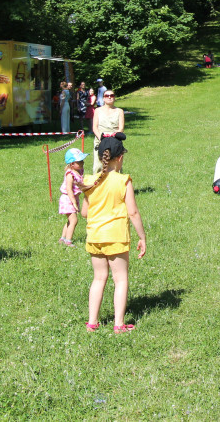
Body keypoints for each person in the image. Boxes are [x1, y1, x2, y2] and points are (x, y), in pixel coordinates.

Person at [81, 133, 146, 332]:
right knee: (120, 279)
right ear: (120, 158)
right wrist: (142, 237)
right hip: (116, 236)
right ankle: (118, 324)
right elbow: (133, 212)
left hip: (95, 237)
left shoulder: (90, 180)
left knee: (99, 278)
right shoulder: (123, 181)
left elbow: (84, 212)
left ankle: (92, 323)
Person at [59, 148, 88, 248]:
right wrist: (74, 203)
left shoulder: (78, 171)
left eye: (82, 160)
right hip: (68, 199)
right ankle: (68, 241)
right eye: (79, 162)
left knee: (70, 220)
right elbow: (69, 190)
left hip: (73, 199)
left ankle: (62, 238)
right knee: (74, 221)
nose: (82, 163)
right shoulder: (70, 174)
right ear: (72, 164)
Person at [92, 88, 124, 172]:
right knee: (98, 166)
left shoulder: (119, 111)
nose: (109, 97)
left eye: (111, 95)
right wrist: (101, 138)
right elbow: (94, 127)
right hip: (100, 139)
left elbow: (121, 128)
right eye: (107, 95)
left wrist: (113, 139)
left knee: (116, 167)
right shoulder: (97, 110)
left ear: (114, 97)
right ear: (103, 98)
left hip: (114, 140)